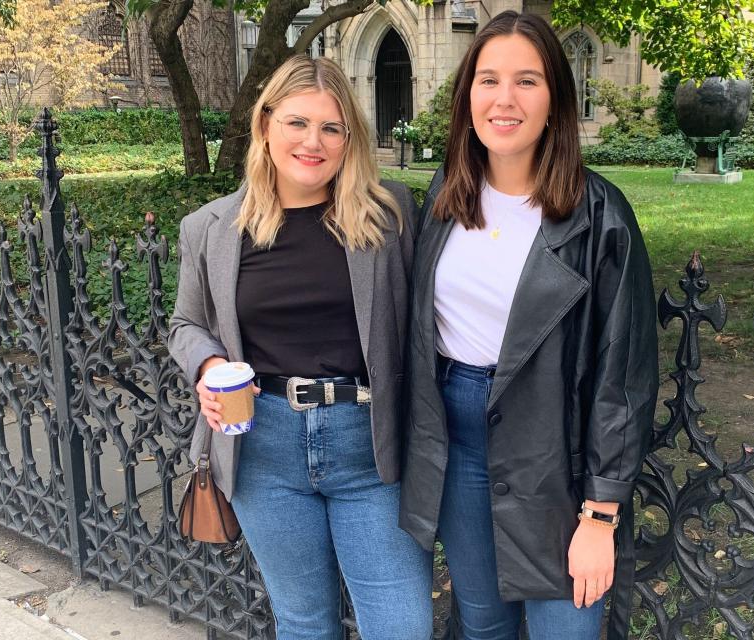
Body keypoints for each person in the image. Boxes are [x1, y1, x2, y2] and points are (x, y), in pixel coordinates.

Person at [399, 11, 658, 640]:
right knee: (482, 621)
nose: (504, 99)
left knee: (563, 626)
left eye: (527, 81)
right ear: (465, 99)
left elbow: (621, 375)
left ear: (556, 101)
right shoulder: (444, 196)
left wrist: (599, 515)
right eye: (487, 80)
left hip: (556, 450)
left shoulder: (600, 217)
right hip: (457, 437)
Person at [168, 54, 432, 640]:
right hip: (264, 447)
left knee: (401, 626)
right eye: (297, 122)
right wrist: (208, 365)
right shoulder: (211, 228)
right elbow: (185, 323)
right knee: (305, 623)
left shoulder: (390, 216)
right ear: (265, 124)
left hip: (371, 449)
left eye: (331, 127)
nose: (313, 142)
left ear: (349, 138)